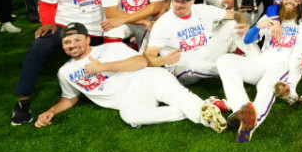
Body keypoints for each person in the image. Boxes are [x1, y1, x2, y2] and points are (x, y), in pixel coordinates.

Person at [33, 22, 227, 133]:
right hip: (128, 99)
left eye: (77, 40)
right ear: (63, 46)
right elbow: (70, 97)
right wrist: (51, 111)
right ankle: (205, 106)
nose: (72, 45)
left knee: (176, 95)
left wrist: (103, 67)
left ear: (88, 39)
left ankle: (208, 119)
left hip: (147, 77)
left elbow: (141, 62)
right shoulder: (65, 72)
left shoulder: (110, 48)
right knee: (131, 116)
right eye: (67, 42)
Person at [11, 0, 114, 125]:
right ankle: (23, 100)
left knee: (119, 52)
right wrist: (48, 23)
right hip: (64, 25)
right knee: (39, 46)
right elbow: (47, 3)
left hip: (99, 26)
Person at [218, 0, 302, 141]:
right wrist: (258, 27)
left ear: (299, 2)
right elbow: (248, 40)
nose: (290, 0)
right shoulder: (271, 17)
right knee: (225, 60)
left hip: (282, 65)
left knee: (265, 86)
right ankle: (242, 108)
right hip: (261, 61)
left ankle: (250, 124)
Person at [143, 0, 250, 84]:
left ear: (192, 0)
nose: (180, 5)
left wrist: (244, 23)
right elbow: (148, 57)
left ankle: (254, 59)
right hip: (182, 65)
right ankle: (239, 70)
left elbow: (237, 15)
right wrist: (164, 60)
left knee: (234, 24)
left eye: (184, 1)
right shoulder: (163, 23)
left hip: (205, 51)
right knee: (194, 64)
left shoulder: (202, 9)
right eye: (177, 1)